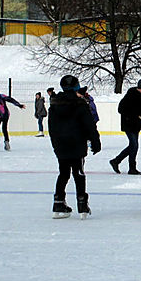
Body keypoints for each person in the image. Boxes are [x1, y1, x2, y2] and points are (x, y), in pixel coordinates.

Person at [48, 74, 101, 219]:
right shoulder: (80, 103)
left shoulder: (54, 104)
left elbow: (51, 127)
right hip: (77, 143)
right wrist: (95, 141)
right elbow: (89, 125)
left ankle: (58, 202)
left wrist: (55, 143)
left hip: (61, 144)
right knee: (78, 173)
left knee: (63, 173)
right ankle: (82, 204)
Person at [110, 78, 141, 175]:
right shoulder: (130, 95)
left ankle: (116, 161)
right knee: (134, 145)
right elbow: (121, 109)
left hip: (136, 125)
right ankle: (132, 168)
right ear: (138, 88)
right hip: (128, 124)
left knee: (133, 146)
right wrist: (133, 115)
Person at [0, 86, 24, 151]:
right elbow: (11, 99)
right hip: (6, 114)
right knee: (4, 128)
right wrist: (19, 105)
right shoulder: (1, 96)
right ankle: (7, 143)